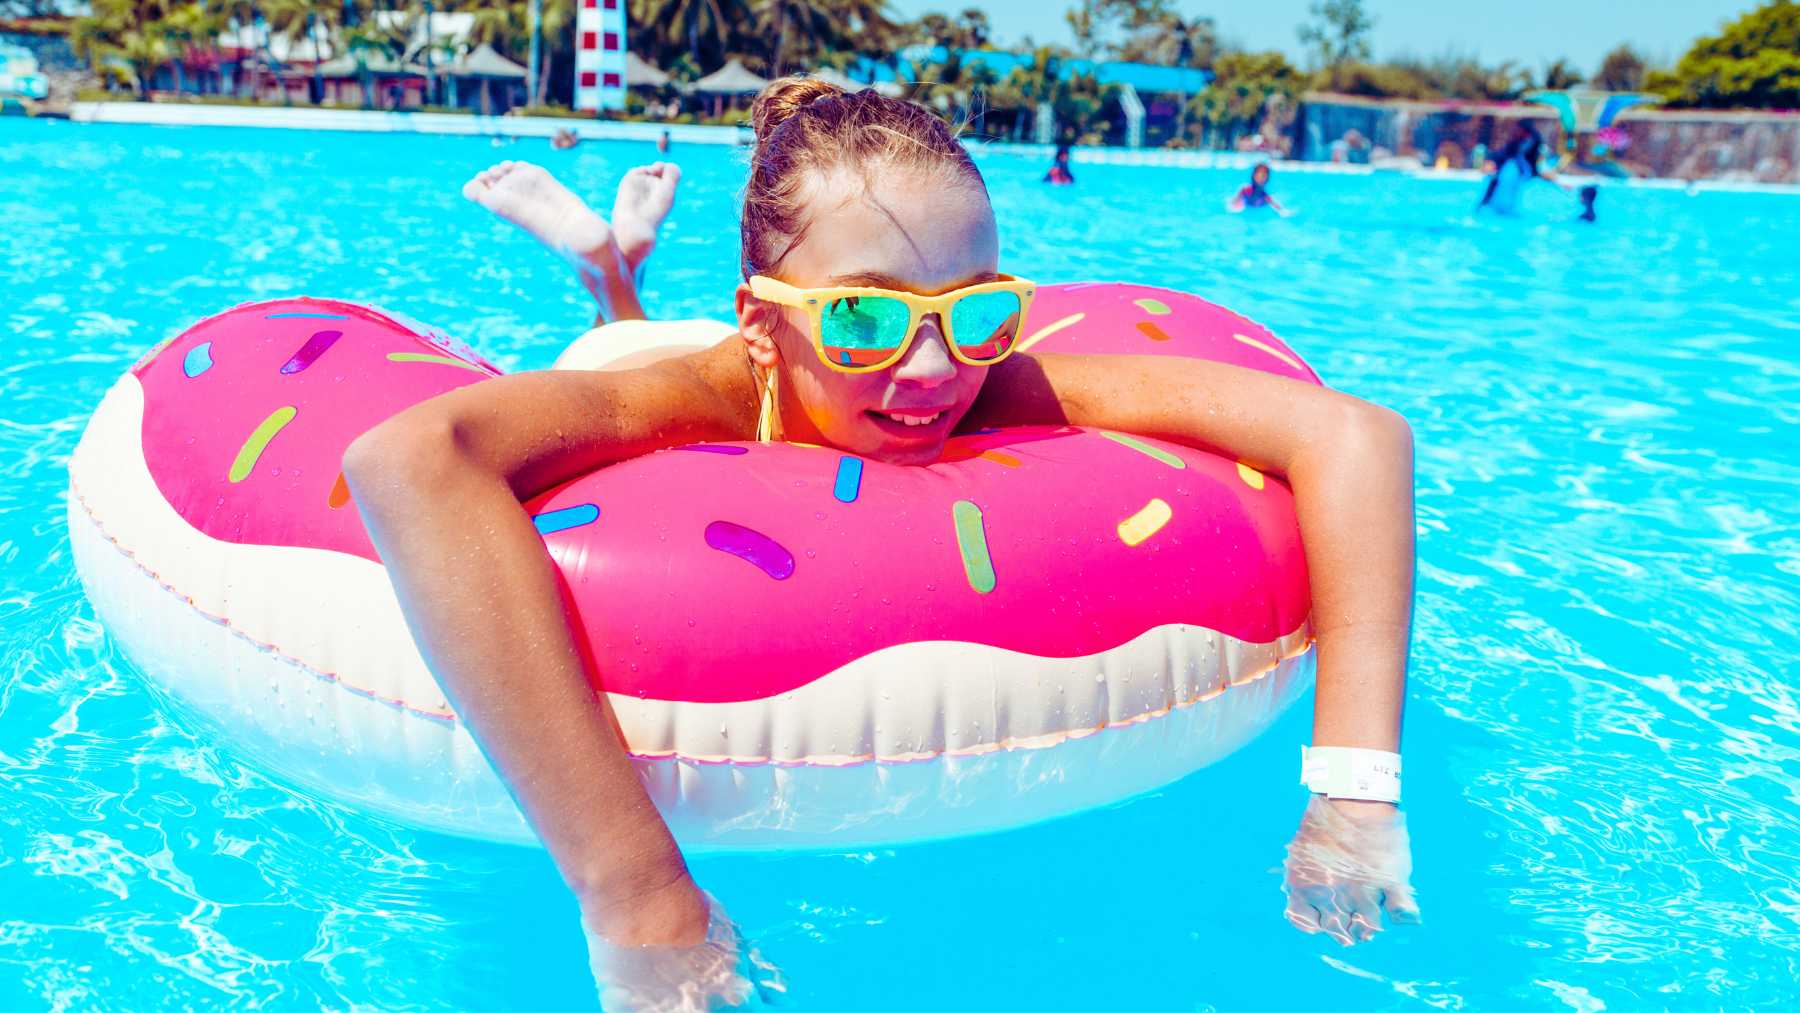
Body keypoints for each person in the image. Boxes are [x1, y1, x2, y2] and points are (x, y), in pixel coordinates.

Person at [346, 78, 1419, 1007]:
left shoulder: (991, 380)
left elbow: (1356, 433)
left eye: (978, 312)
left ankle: (622, 256)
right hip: (643, 356)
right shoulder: (697, 393)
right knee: (622, 332)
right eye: (864, 320)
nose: (930, 371)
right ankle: (609, 270)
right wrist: (632, 880)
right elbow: (407, 461)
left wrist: (1353, 788)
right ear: (765, 322)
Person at [1477, 122, 1569, 216]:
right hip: (1497, 201)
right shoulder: (1512, 152)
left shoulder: (1528, 154)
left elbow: (1538, 171)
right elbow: (1497, 159)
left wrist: (1559, 184)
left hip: (1510, 198)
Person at [1227, 162, 1291, 216]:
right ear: (1253, 176)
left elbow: (1280, 209)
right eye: (1259, 175)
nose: (1261, 178)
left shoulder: (1265, 196)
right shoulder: (1245, 190)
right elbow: (1233, 204)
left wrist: (1283, 211)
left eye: (1263, 175)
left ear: (1267, 178)